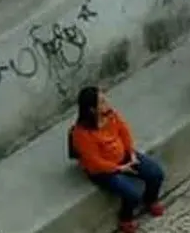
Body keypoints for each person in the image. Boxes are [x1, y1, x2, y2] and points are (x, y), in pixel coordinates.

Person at [69, 87, 165, 233]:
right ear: (92, 110)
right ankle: (125, 218)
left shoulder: (112, 115)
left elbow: (124, 132)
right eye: (101, 102)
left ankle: (150, 200)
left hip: (125, 157)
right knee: (132, 195)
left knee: (156, 174)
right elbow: (95, 161)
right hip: (103, 171)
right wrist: (119, 168)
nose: (106, 103)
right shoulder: (81, 134)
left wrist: (131, 153)